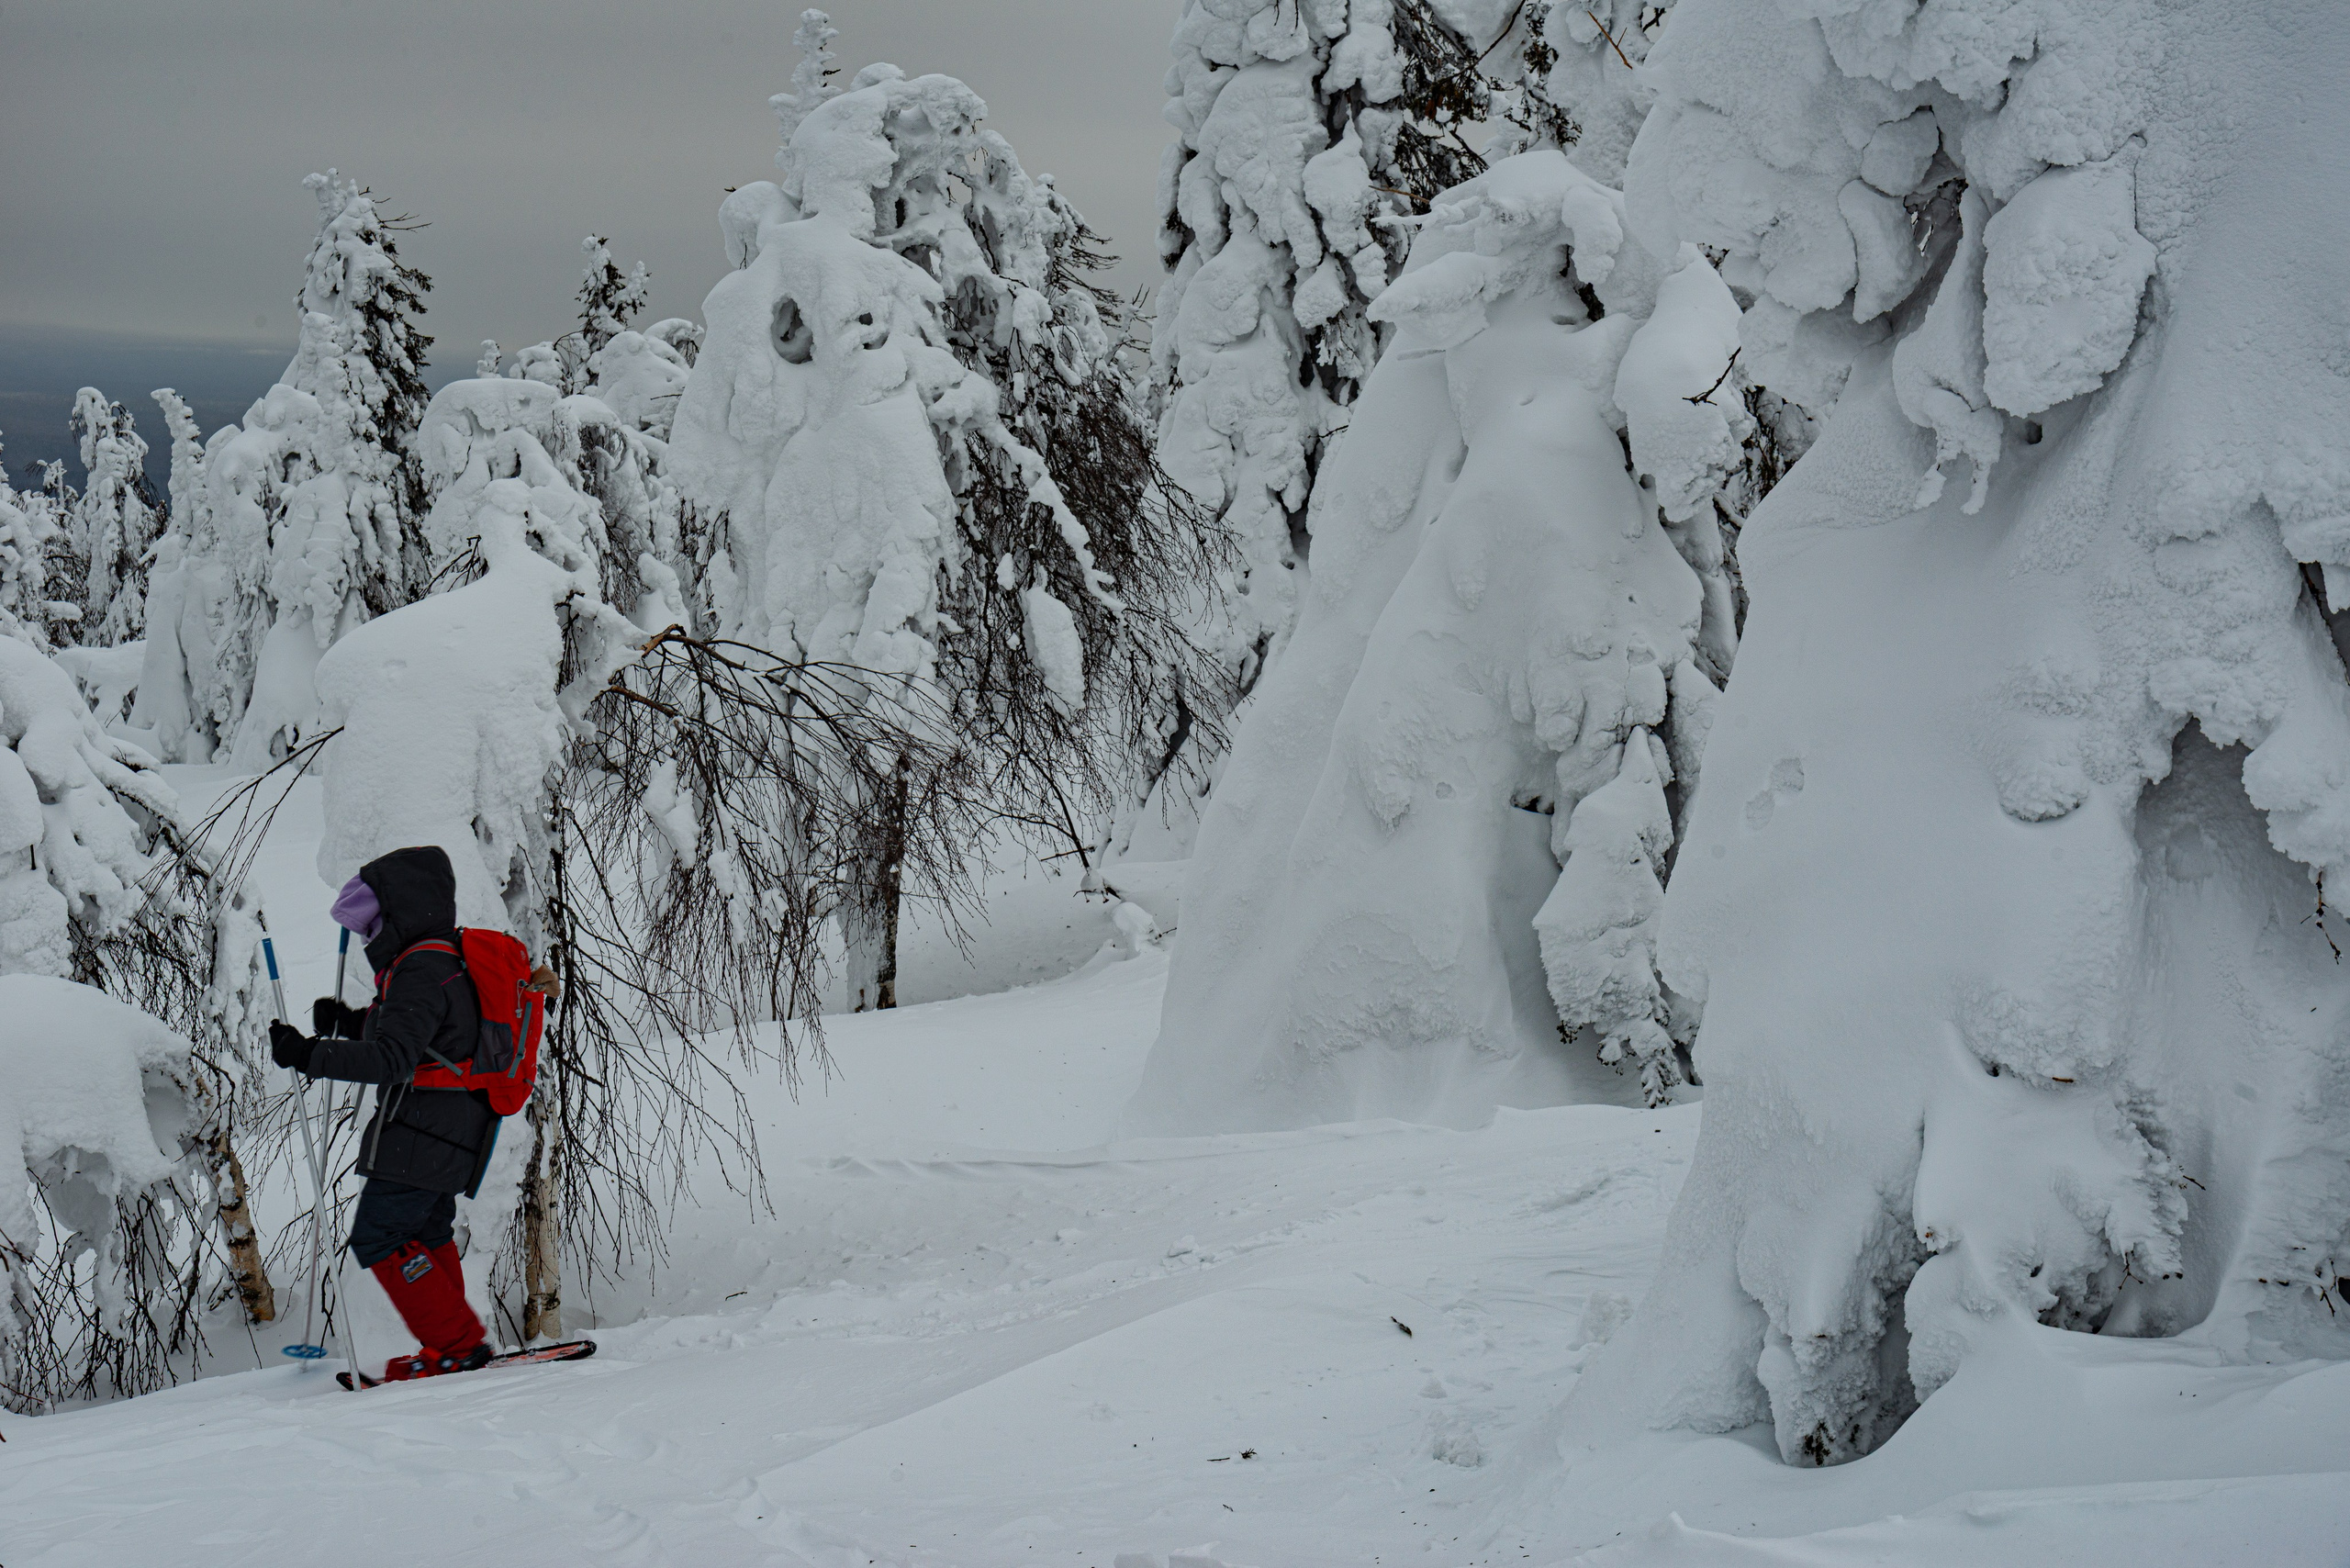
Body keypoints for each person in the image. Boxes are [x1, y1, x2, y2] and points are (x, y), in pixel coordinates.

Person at [269, 845, 498, 1382]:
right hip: (449, 1127)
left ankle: (456, 1344)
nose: (370, 935)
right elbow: (425, 1042)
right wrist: (350, 1023)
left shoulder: (421, 969)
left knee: (382, 1235)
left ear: (400, 912)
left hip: (423, 1131)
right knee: (427, 1230)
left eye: (375, 923)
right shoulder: (442, 960)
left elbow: (393, 1060)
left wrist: (306, 1054)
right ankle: (455, 1342)